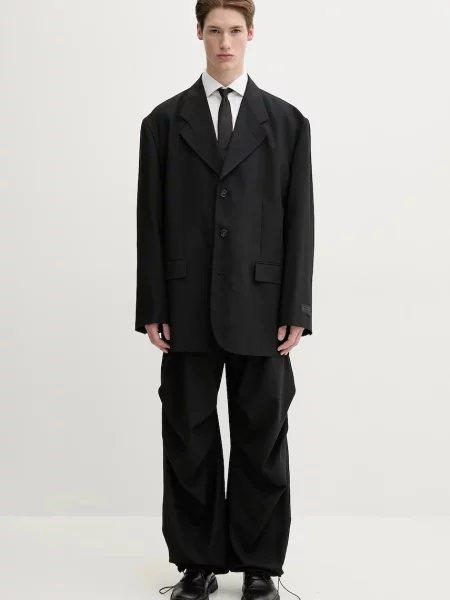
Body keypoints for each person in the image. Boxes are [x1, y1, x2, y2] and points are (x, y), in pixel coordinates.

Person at [135, 1, 314, 598]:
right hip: (185, 305)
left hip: (263, 307)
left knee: (262, 438)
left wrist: (297, 309)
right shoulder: (164, 122)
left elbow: (300, 222)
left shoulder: (287, 123)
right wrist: (152, 305)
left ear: (251, 33)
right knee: (188, 436)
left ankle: (260, 565)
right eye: (214, 31)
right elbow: (150, 221)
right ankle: (198, 562)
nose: (225, 43)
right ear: (199, 34)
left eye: (235, 30)